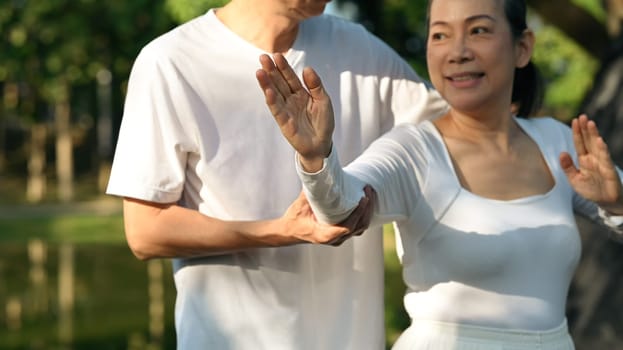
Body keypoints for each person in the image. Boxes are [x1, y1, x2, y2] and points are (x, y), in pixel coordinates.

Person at [255, 0, 623, 348]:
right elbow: (339, 207)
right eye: (440, 35)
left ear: (522, 47)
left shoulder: (558, 142)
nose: (457, 51)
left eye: (478, 30)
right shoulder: (414, 150)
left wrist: (616, 201)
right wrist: (316, 156)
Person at [105, 0, 448, 349]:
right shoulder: (170, 61)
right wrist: (280, 231)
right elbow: (146, 231)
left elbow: (457, 130)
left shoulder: (360, 50)